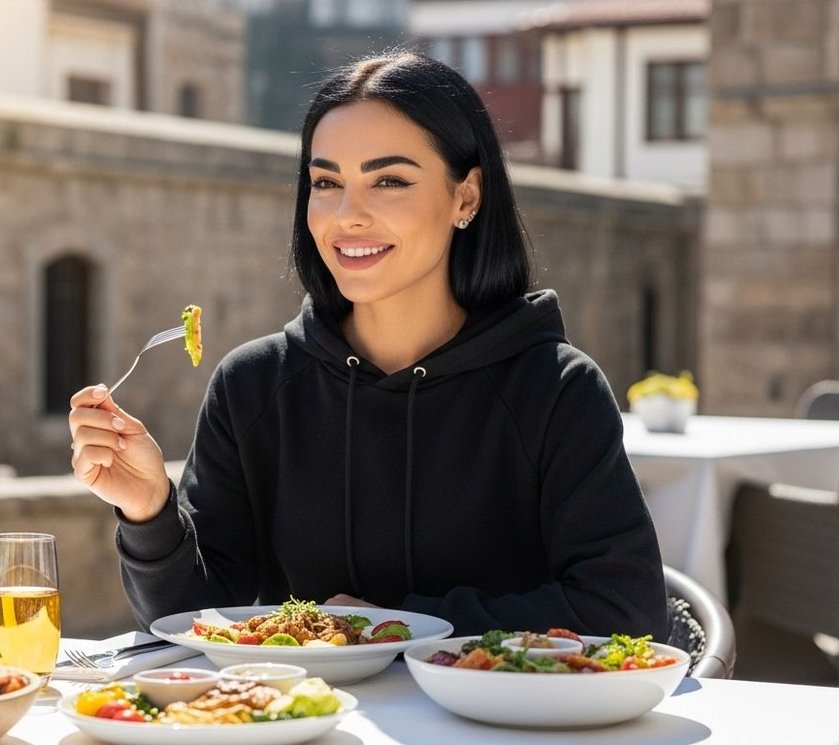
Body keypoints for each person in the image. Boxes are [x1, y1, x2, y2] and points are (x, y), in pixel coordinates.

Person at [68, 51, 668, 638]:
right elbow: (188, 623)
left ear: (466, 196)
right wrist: (150, 510)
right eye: (326, 182)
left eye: (389, 181)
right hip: (304, 708)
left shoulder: (555, 389)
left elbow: (626, 610)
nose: (347, 215)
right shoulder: (252, 384)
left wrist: (397, 628)